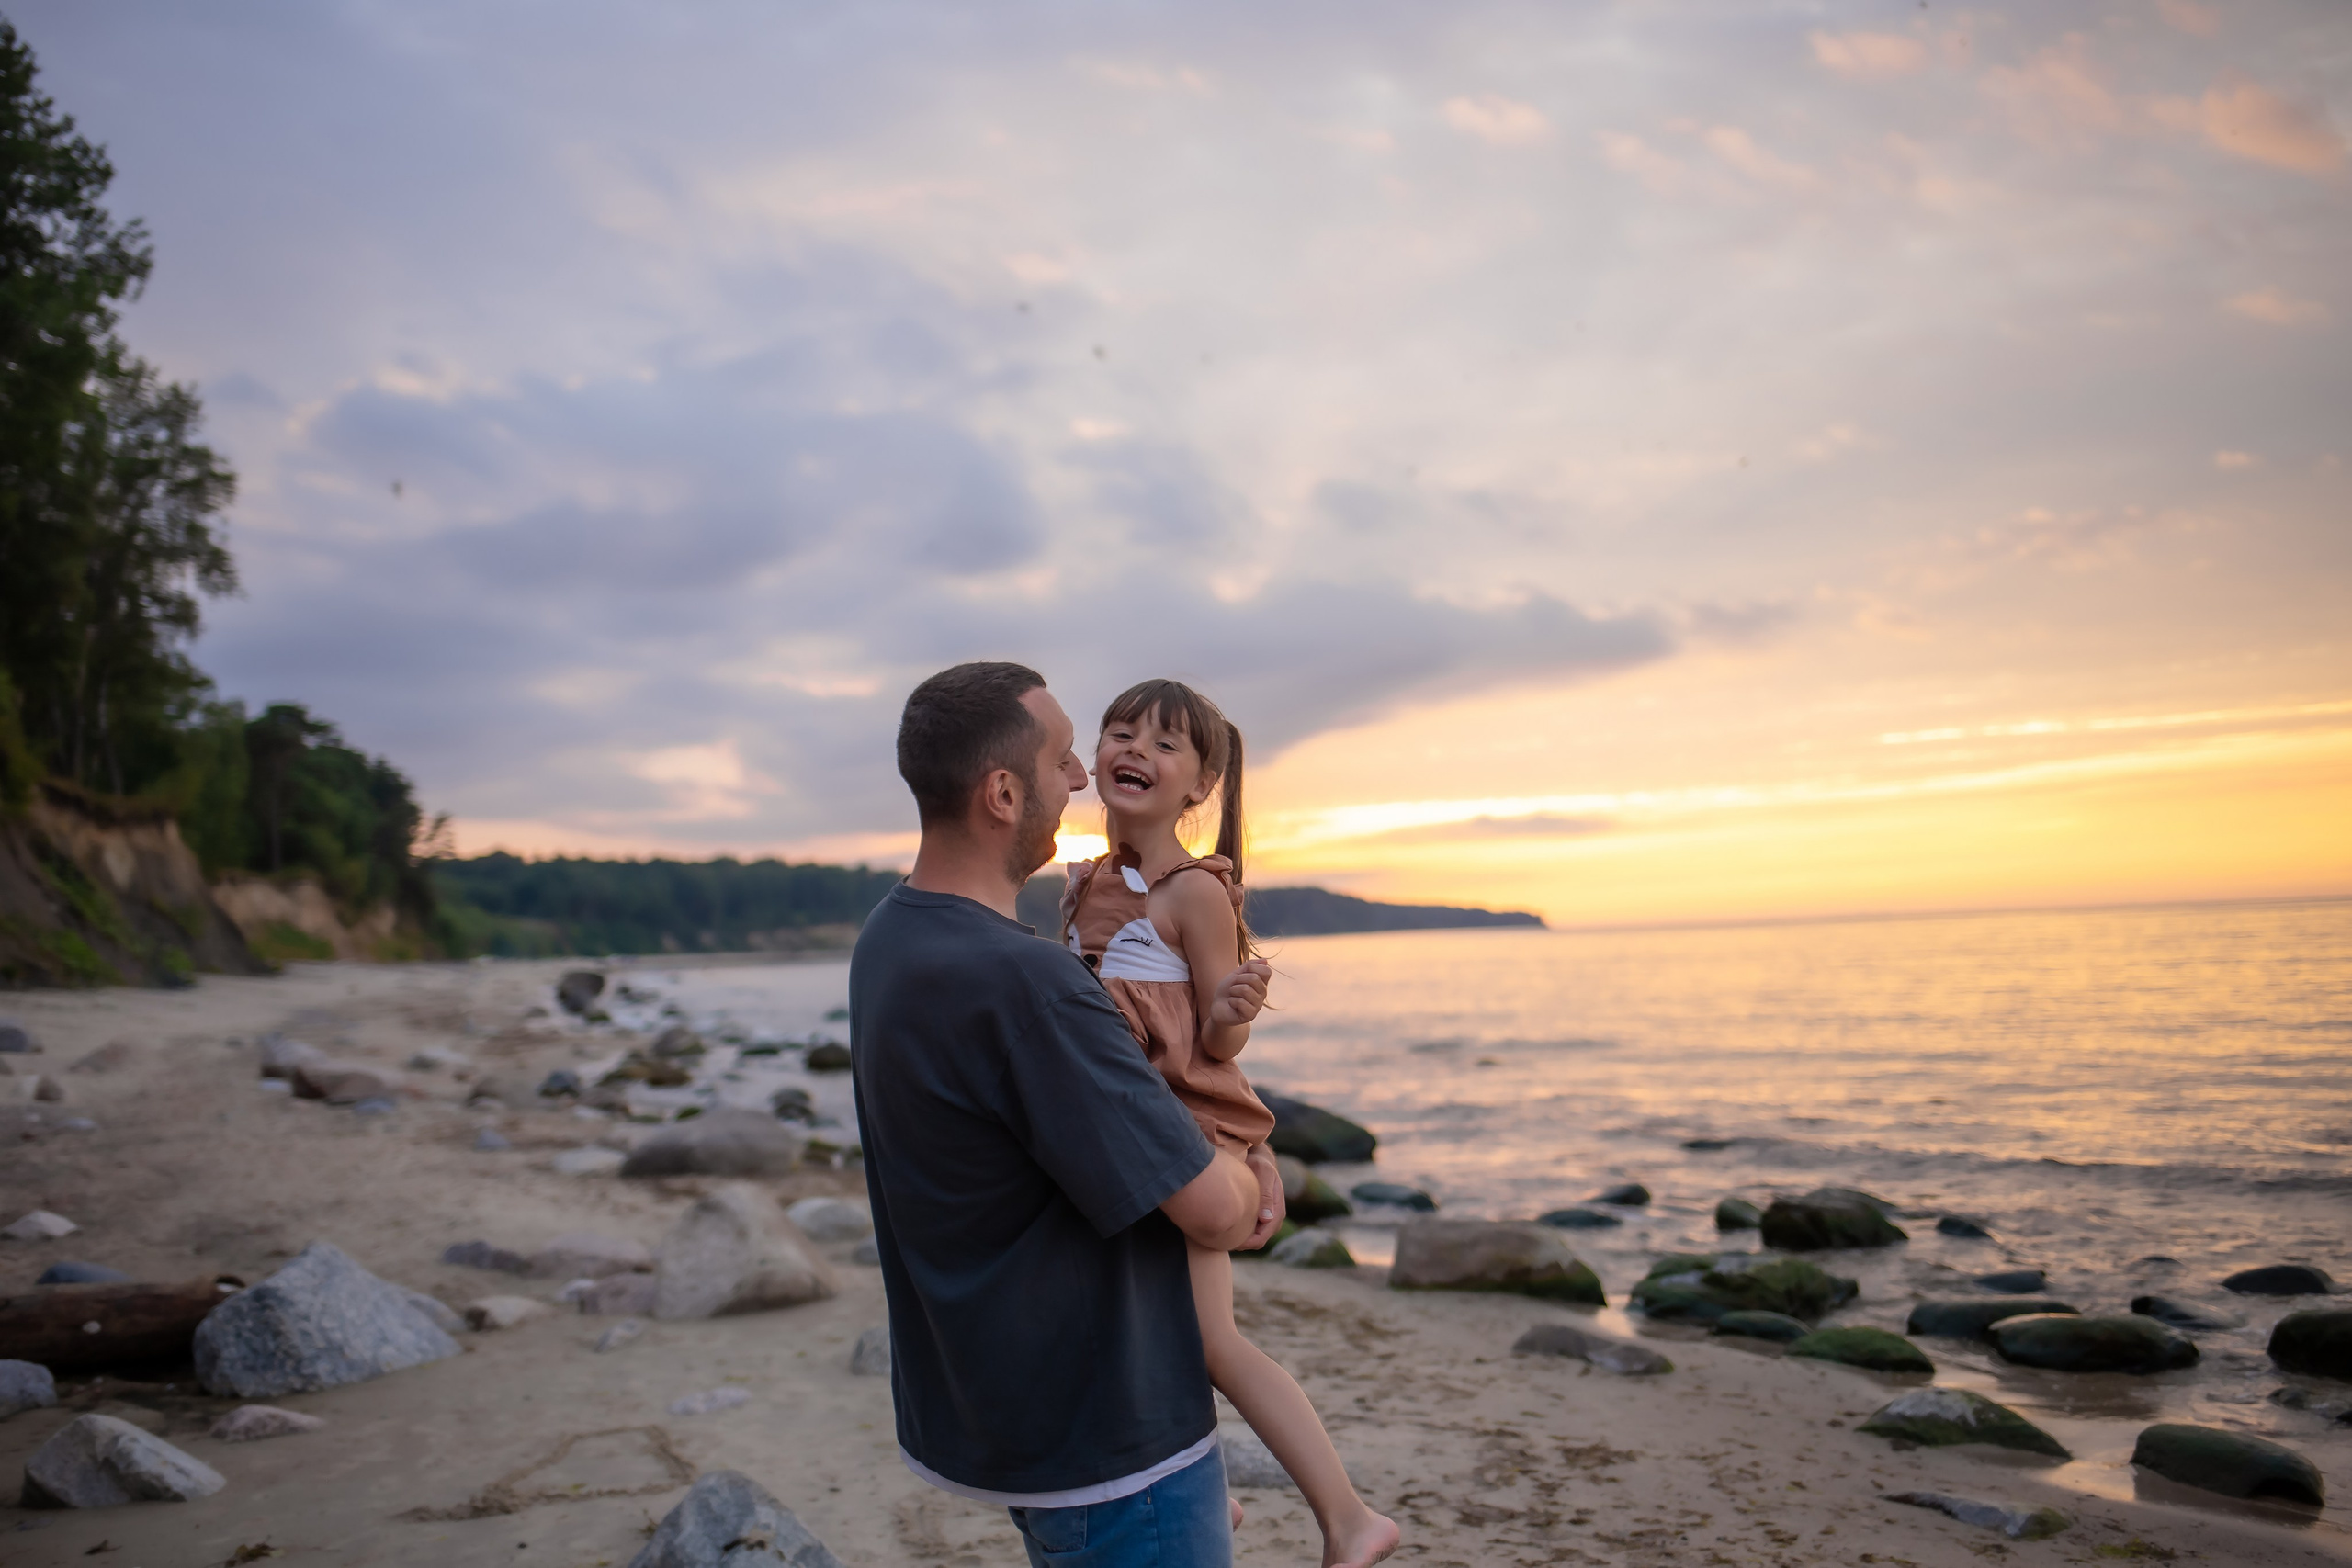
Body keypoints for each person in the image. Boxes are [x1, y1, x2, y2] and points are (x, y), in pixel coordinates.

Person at [852, 660, 1283, 1568]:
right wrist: (1250, 1162)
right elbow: (1215, 1213)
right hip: (1114, 1443)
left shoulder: (890, 937)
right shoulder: (1028, 981)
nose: (1083, 776)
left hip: (1007, 1414)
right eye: (1061, 760)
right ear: (1003, 794)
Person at [1062, 679, 1399, 1568]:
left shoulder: (1195, 892)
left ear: (1200, 785)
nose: (1136, 749)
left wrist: (1232, 1011)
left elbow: (1217, 1041)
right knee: (1146, 1329)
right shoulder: (1088, 883)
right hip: (1124, 1140)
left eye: (1165, 743)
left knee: (1212, 1340)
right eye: (1120, 731)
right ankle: (1208, 1493)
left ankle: (1349, 1516)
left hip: (1187, 1139)